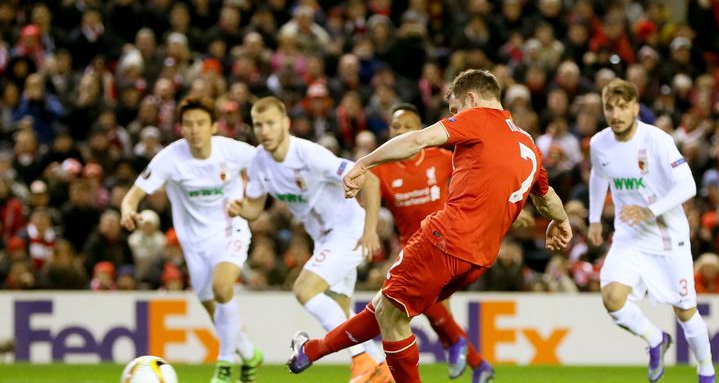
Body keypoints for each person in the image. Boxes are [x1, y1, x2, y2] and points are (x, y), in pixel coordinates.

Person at [287, 69, 572, 382]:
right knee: (386, 307)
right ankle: (311, 350)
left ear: (471, 98)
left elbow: (418, 140)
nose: (453, 116)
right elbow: (548, 198)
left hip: (444, 238)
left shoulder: (477, 118)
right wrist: (560, 221)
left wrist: (363, 163)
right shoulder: (528, 142)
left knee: (392, 317)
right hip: (477, 258)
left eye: (454, 109)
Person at [226, 96, 392, 383]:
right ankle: (380, 368)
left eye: (270, 124)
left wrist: (369, 229)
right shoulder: (258, 162)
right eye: (258, 125)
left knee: (304, 289)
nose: (264, 130)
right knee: (339, 309)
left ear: (286, 124)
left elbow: (371, 179)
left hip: (348, 230)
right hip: (323, 238)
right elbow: (254, 208)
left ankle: (363, 360)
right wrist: (239, 207)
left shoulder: (308, 155)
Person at [120, 95, 263, 383]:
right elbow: (134, 194)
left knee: (223, 288)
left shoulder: (233, 151)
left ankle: (224, 366)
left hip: (230, 230)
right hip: (194, 244)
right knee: (213, 305)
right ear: (181, 129)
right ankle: (249, 354)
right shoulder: (170, 158)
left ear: (213, 126)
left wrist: (252, 202)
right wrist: (127, 210)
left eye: (200, 123)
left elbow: (270, 162)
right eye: (188, 124)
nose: (194, 130)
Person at [588, 79, 715, 383]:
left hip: (667, 236)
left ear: (635, 108)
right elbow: (598, 174)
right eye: (609, 108)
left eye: (622, 107)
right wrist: (594, 218)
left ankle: (707, 373)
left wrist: (650, 209)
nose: (615, 114)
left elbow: (689, 185)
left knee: (685, 312)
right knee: (612, 298)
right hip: (629, 236)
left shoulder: (657, 140)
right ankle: (656, 339)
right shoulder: (599, 143)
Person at [369, 103, 494, 382]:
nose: (399, 131)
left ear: (420, 130)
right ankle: (478, 363)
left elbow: (477, 180)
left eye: (407, 126)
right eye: (395, 126)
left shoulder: (441, 158)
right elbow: (371, 207)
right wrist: (369, 230)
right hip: (412, 249)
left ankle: (467, 353)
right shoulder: (381, 170)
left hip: (447, 245)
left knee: (420, 305)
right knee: (428, 309)